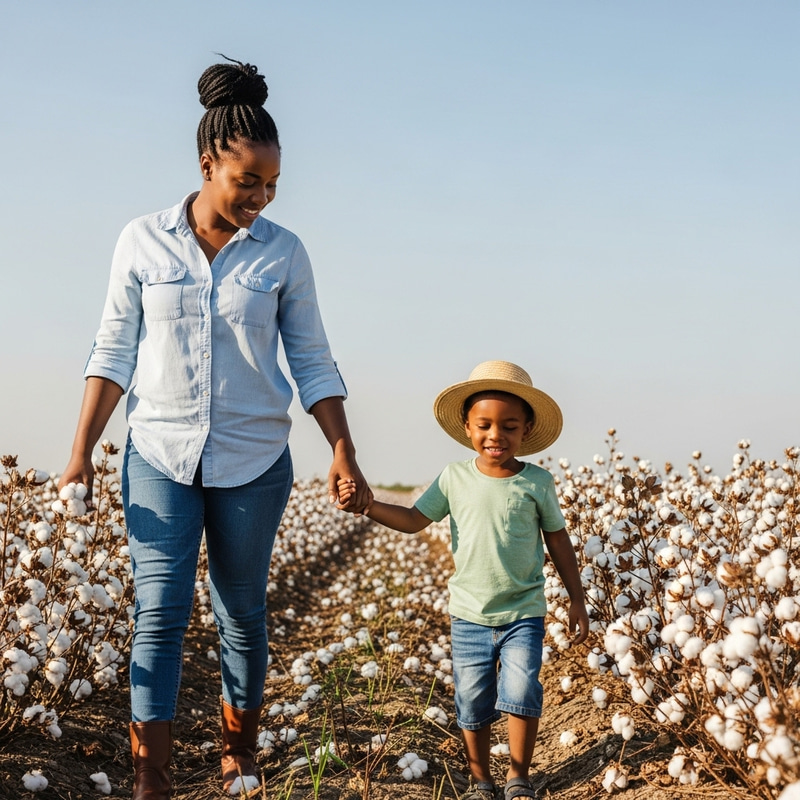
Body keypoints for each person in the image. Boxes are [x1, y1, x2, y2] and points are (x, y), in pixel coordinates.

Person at [58, 57, 371, 800]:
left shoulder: (284, 253)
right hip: (157, 454)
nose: (260, 199)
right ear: (208, 165)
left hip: (255, 459)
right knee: (158, 613)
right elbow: (113, 350)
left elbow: (312, 357)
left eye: (271, 187)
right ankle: (151, 777)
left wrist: (342, 446)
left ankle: (240, 755)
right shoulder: (142, 241)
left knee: (243, 612)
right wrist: (81, 453)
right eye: (246, 183)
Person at [338, 360, 589, 800]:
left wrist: (577, 598)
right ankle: (480, 782)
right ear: (467, 426)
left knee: (521, 690)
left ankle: (518, 779)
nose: (496, 435)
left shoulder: (537, 482)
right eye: (485, 425)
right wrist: (367, 506)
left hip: (523, 612)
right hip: (469, 615)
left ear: (527, 430)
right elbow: (415, 519)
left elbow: (559, 542)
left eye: (509, 426)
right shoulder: (454, 478)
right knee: (473, 702)